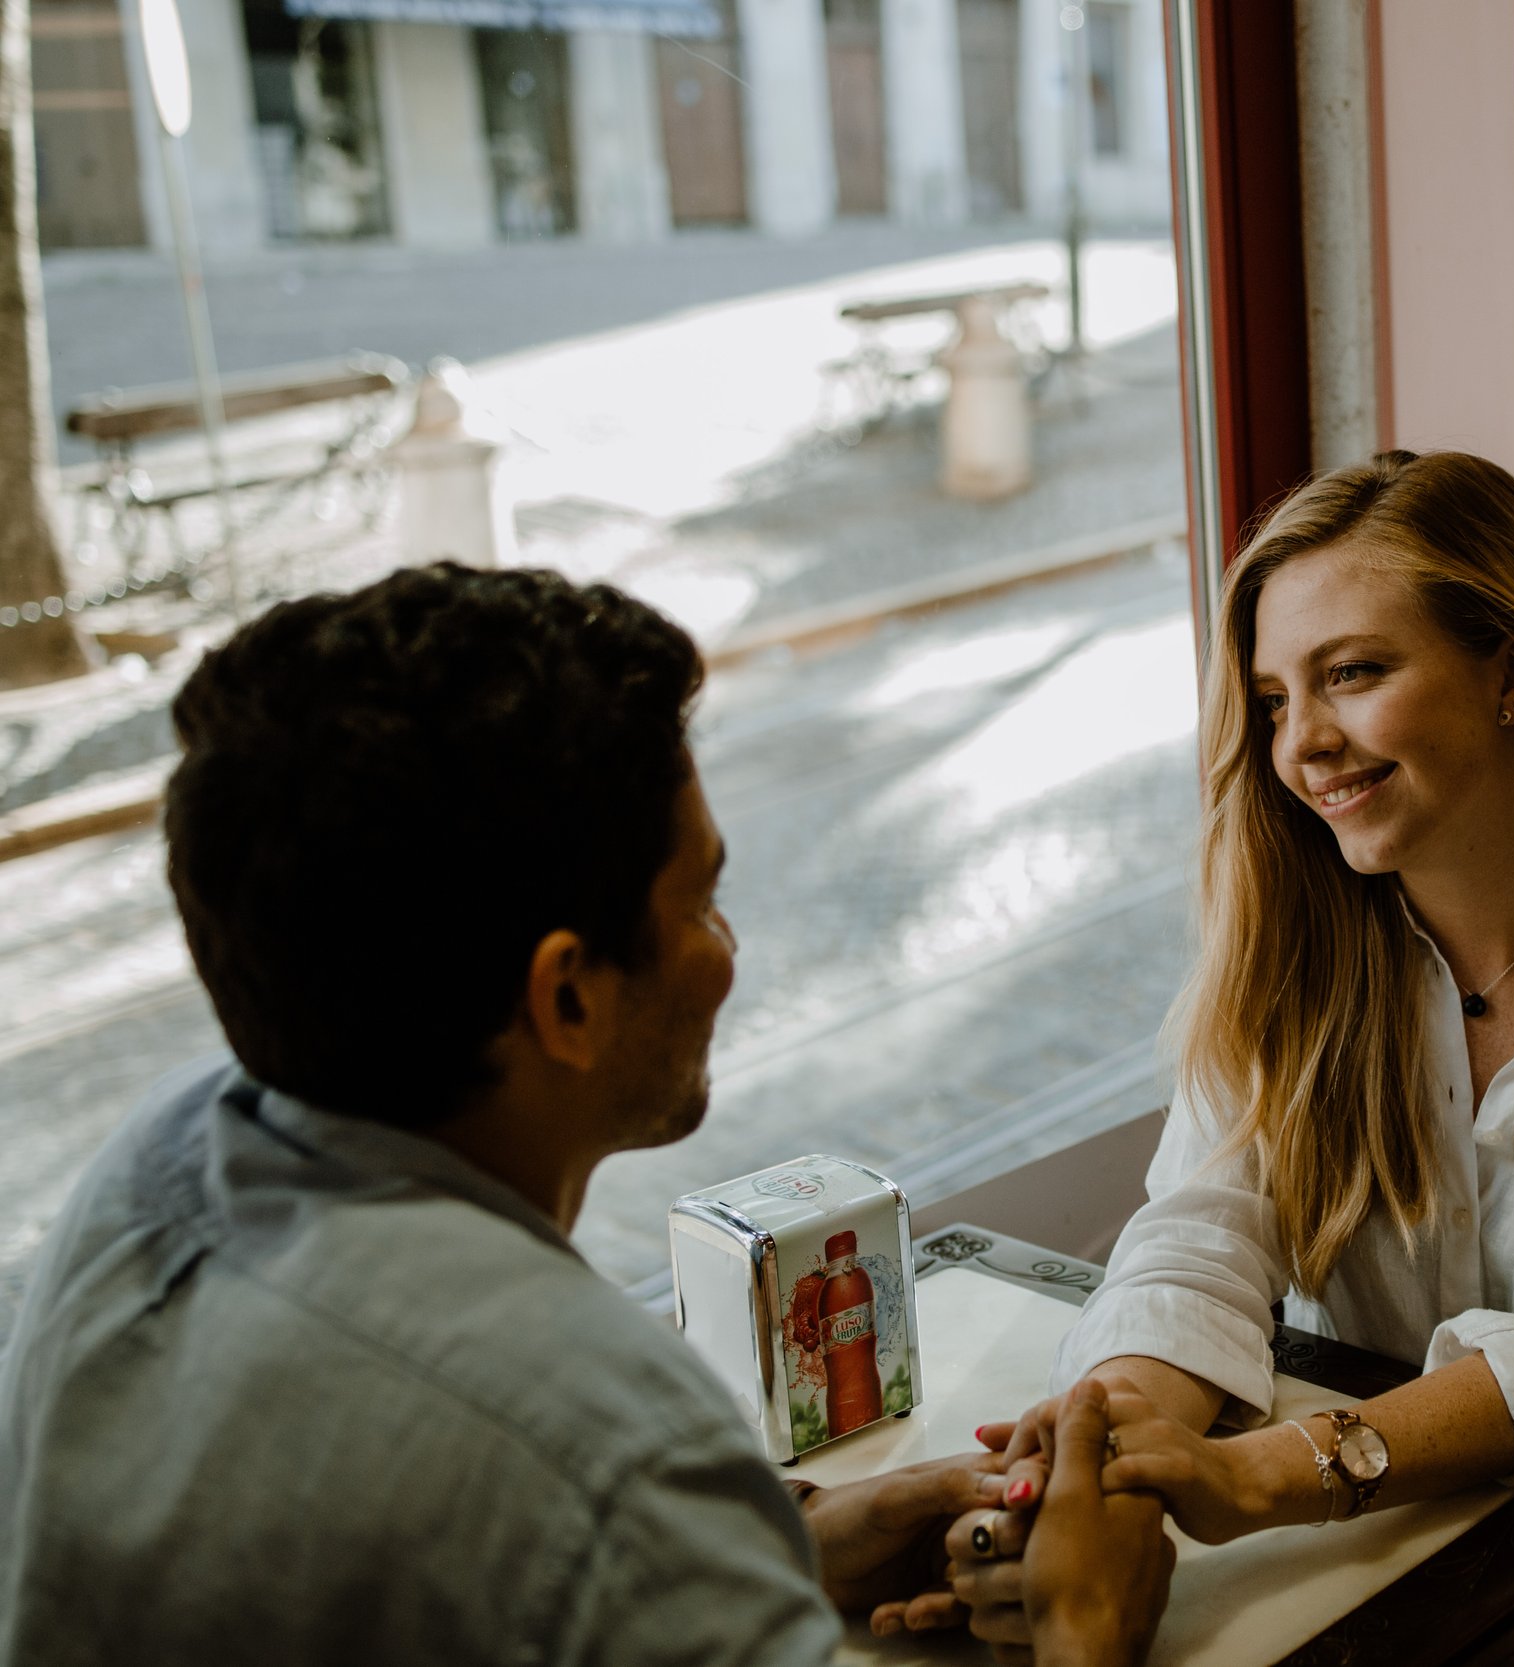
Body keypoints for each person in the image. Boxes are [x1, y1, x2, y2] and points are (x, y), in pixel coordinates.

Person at [0, 564, 1170, 1667]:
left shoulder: (151, 1158)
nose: (727, 954)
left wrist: (771, 1548)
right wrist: (1084, 1624)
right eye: (701, 902)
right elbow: (560, 1498)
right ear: (566, 995)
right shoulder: (605, 1451)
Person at [946, 451, 1514, 1652]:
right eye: (1271, 700)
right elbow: (1195, 1236)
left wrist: (1261, 1477)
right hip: (1381, 1512)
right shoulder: (1285, 939)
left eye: (1353, 674)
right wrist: (1107, 1460)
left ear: (1513, 673)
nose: (1301, 743)